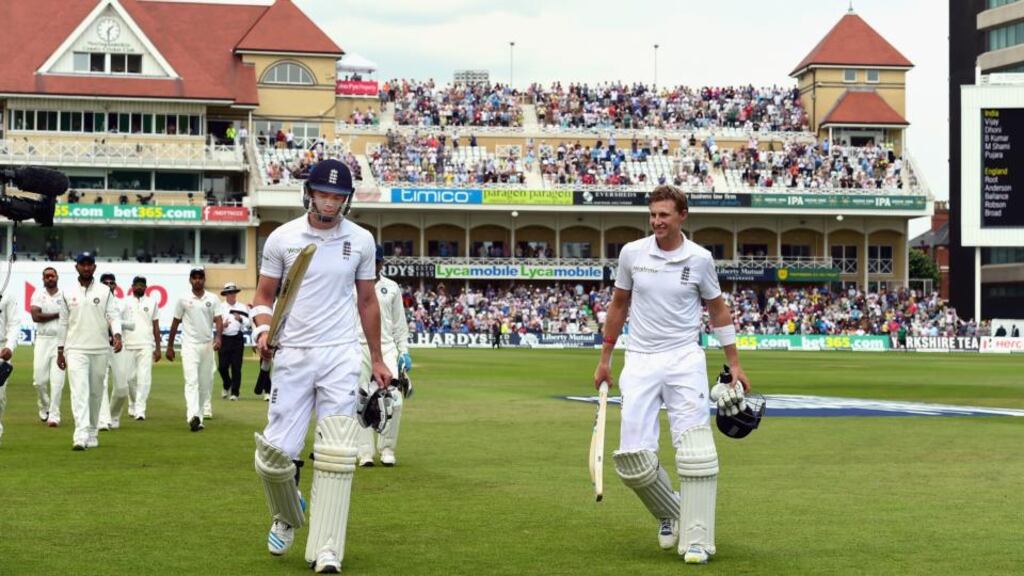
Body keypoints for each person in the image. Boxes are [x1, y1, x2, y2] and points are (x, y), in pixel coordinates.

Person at [592, 185, 750, 564]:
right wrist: (605, 358)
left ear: (682, 215)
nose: (657, 221)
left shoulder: (700, 259)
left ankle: (697, 539)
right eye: (652, 215)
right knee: (633, 459)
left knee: (695, 452)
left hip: (684, 360)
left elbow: (718, 310)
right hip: (641, 360)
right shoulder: (632, 253)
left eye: (664, 214)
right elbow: (618, 305)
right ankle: (670, 512)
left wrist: (735, 362)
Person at [251, 159, 391, 573]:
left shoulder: (361, 240)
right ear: (308, 193)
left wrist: (378, 358)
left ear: (346, 199)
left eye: (337, 196)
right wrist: (262, 331)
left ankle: (328, 548)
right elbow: (263, 295)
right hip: (292, 352)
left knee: (336, 449)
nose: (329, 203)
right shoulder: (282, 237)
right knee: (276, 453)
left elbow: (367, 302)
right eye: (323, 194)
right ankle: (286, 512)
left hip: (340, 354)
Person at [57, 252, 123, 451]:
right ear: (76, 267)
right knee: (79, 392)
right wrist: (60, 350)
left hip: (100, 348)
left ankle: (93, 432)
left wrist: (117, 335)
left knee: (95, 393)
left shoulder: (105, 291)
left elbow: (113, 316)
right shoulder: (67, 292)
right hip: (75, 348)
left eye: (89, 264)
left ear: (94, 267)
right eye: (82, 264)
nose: (86, 268)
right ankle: (80, 434)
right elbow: (62, 323)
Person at [357, 245, 412, 467]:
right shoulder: (352, 286)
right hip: (358, 346)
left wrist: (404, 352)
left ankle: (387, 448)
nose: (373, 265)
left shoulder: (391, 288)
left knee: (394, 400)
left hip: (387, 347)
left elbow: (400, 324)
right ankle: (364, 452)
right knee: (360, 401)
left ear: (382, 263)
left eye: (377, 261)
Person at [166, 268, 222, 432]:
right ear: (190, 280)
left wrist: (218, 338)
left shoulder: (212, 298)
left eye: (200, 278)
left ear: (204, 280)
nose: (197, 280)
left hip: (207, 345)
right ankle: (192, 416)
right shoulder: (183, 299)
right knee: (192, 381)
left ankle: (200, 418)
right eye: (194, 278)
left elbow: (218, 320)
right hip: (189, 345)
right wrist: (169, 346)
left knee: (205, 383)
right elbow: (175, 323)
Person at [97, 273, 133, 430]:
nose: (108, 285)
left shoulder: (122, 304)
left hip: (118, 347)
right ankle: (103, 420)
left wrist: (115, 322)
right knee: (101, 384)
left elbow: (132, 324)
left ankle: (113, 415)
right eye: (105, 282)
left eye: (111, 283)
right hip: (100, 346)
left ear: (115, 286)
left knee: (122, 388)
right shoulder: (95, 302)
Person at [123, 276, 161, 421]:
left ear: (146, 287)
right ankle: (132, 402)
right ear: (132, 286)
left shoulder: (152, 302)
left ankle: (140, 409)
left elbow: (156, 326)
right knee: (129, 379)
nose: (139, 287)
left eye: (142, 285)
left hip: (146, 344)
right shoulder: (125, 302)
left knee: (144, 378)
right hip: (128, 344)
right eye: (136, 285)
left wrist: (157, 348)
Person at [31, 267, 64, 426]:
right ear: (43, 279)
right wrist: (58, 314)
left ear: (57, 277)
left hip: (60, 340)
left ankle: (54, 415)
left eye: (52, 276)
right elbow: (36, 316)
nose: (50, 278)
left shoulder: (64, 295)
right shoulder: (38, 295)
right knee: (39, 380)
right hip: (43, 339)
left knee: (57, 381)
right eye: (47, 276)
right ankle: (44, 405)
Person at [218, 282, 249, 401]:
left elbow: (248, 323)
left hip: (237, 339)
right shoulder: (220, 307)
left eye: (233, 293)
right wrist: (222, 325)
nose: (232, 295)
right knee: (222, 367)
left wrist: (240, 319)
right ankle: (227, 384)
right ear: (225, 294)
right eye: (229, 293)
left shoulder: (242, 307)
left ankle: (235, 393)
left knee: (236, 367)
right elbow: (214, 322)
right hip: (224, 338)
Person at [0, 289, 21, 447]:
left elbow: (14, 323)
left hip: (1, 348)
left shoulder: (7, 293)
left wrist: (10, 347)